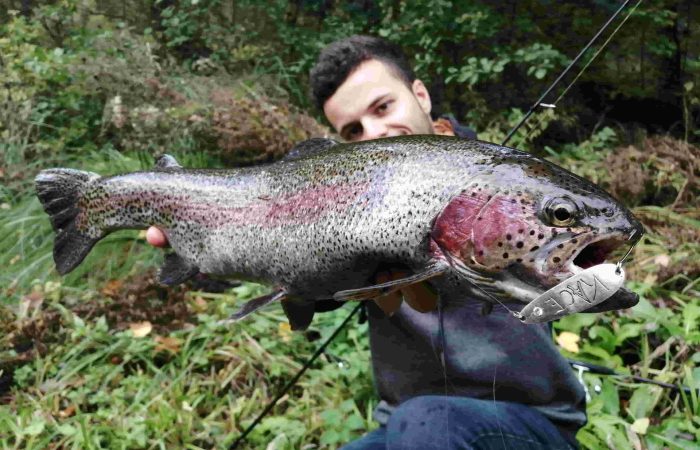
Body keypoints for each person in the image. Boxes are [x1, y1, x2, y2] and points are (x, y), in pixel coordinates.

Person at [147, 35, 586, 449]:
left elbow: (572, 271)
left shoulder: (508, 184)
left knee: (430, 423)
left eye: (383, 107)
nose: (374, 132)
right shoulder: (345, 198)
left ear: (421, 94)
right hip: (407, 425)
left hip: (529, 423)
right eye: (352, 130)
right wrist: (208, 244)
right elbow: (317, 281)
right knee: (421, 425)